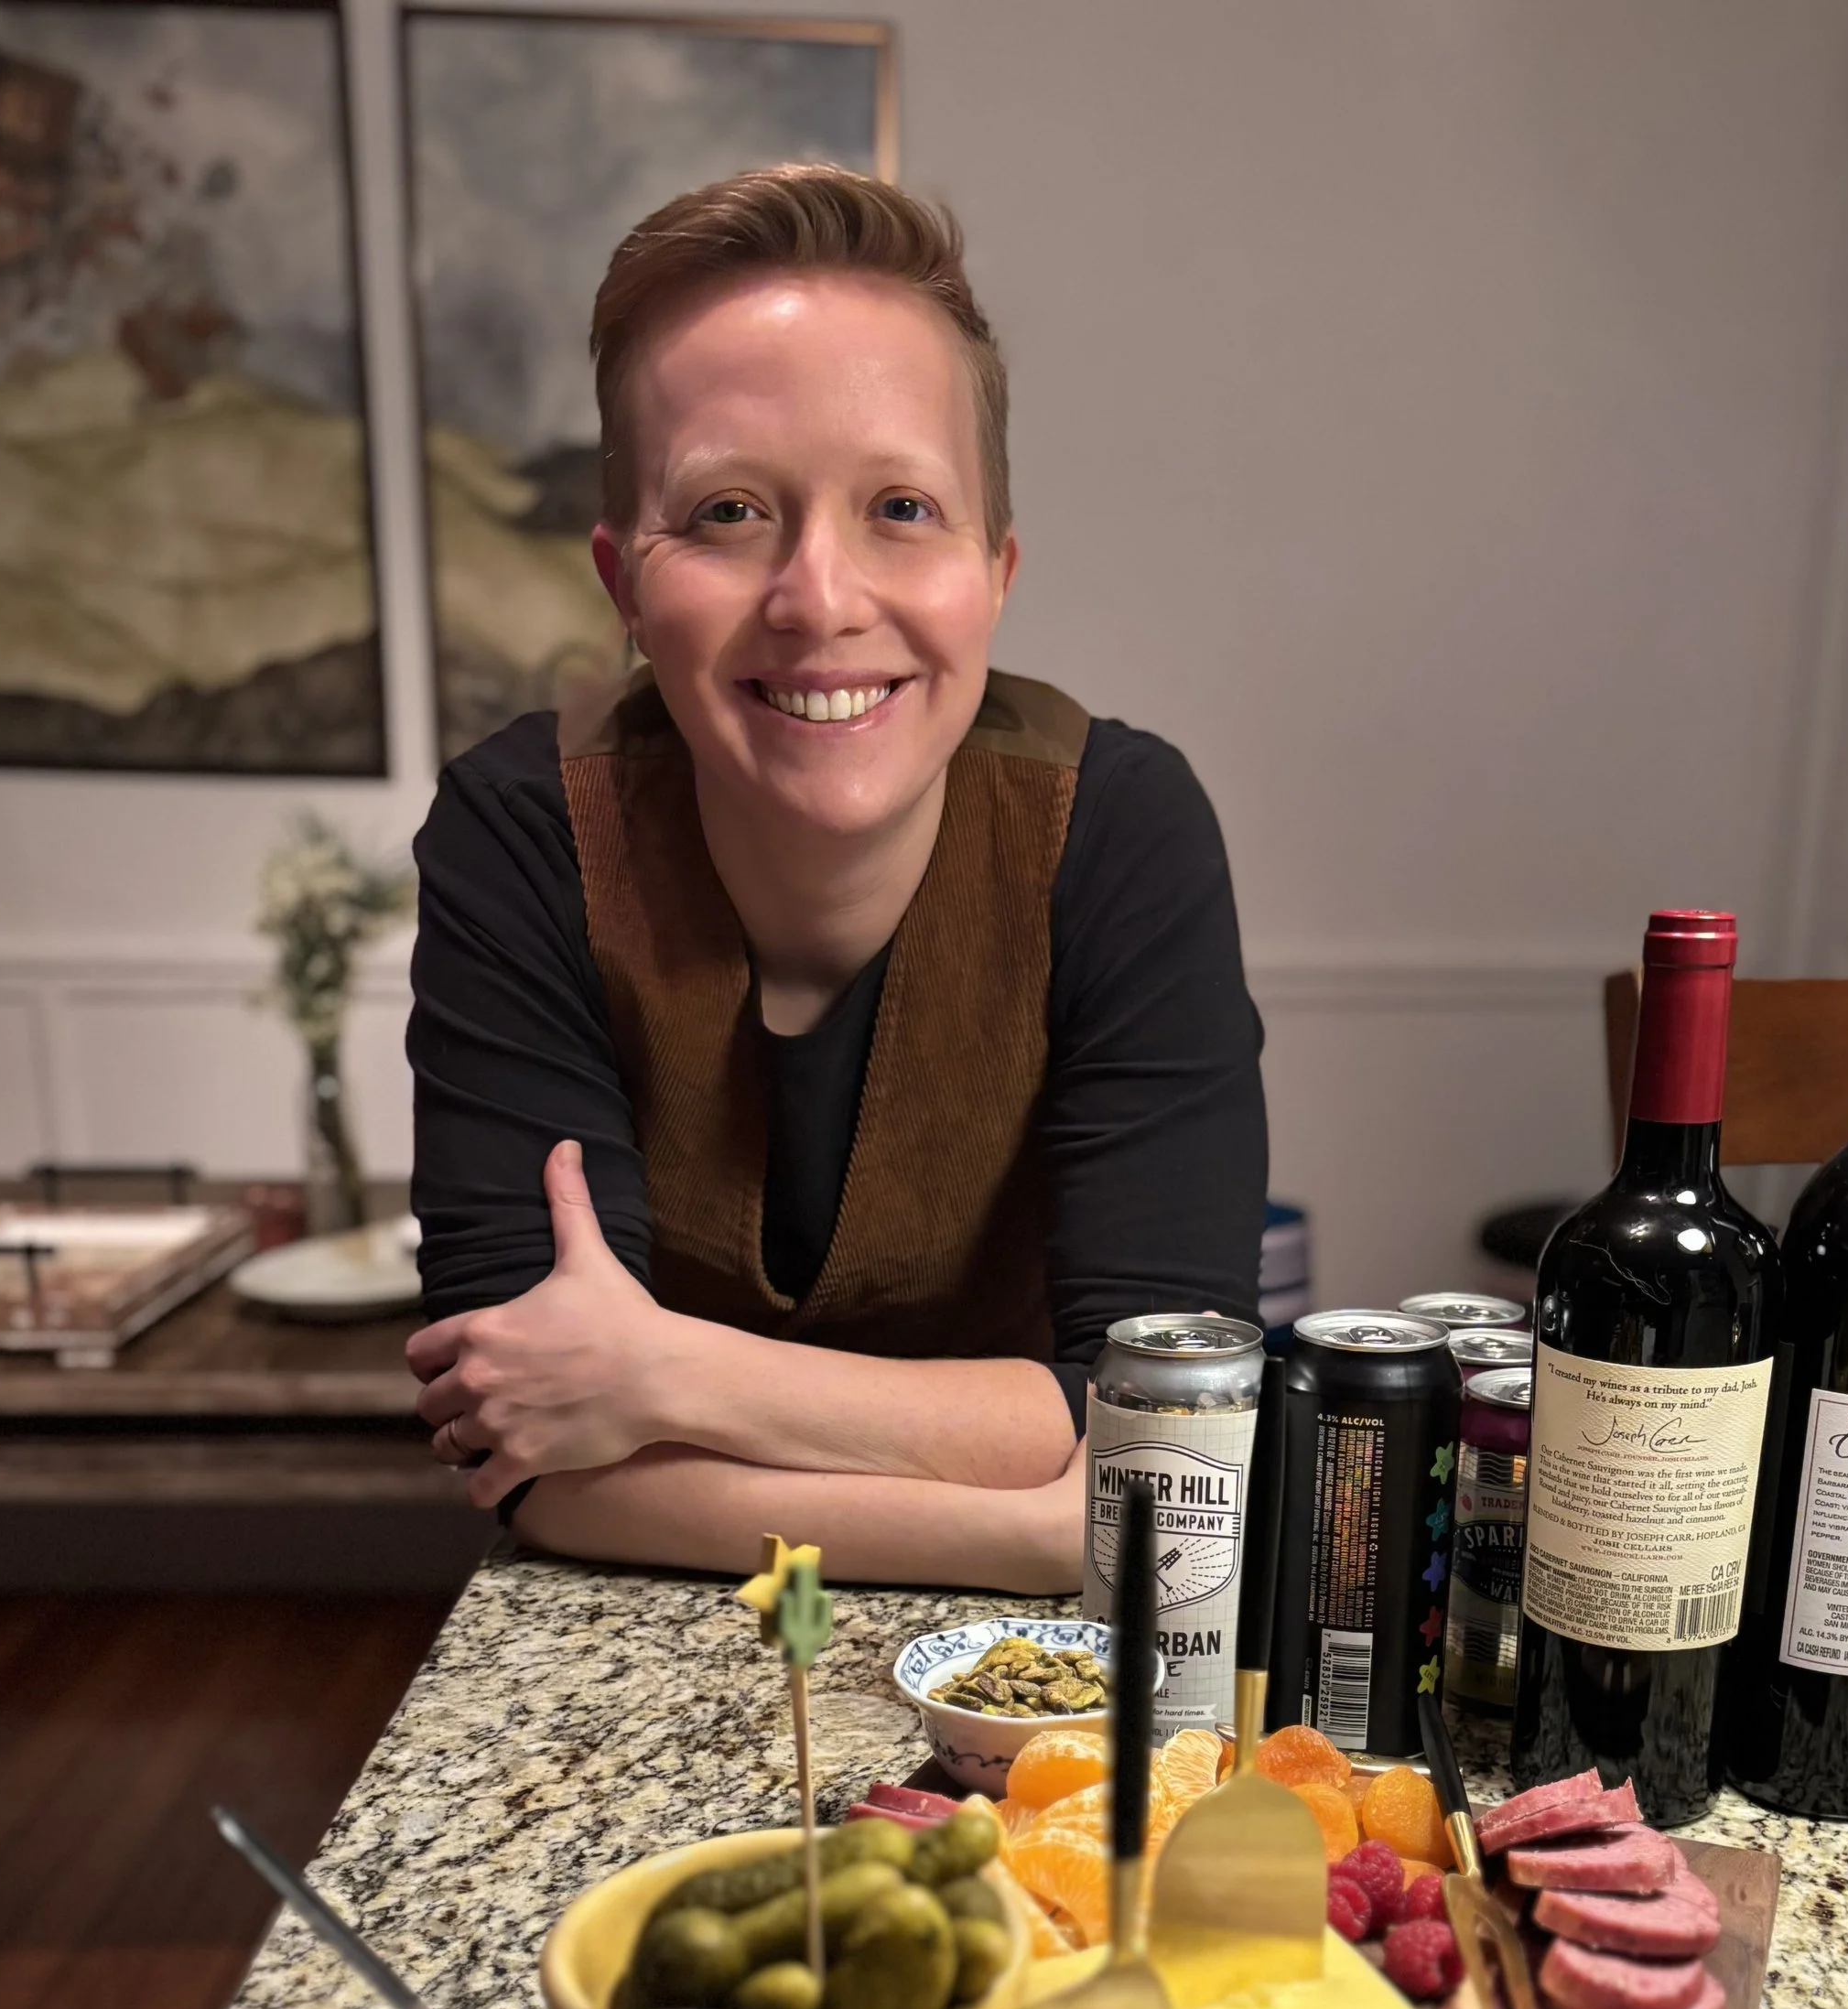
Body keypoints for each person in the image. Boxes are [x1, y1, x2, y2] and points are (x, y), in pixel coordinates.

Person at [404, 166, 1267, 1588]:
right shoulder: (521, 833)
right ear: (624, 588)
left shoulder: (1121, 829)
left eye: (902, 507)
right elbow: (529, 1452)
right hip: (666, 1621)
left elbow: (1175, 1418)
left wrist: (658, 1374)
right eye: (728, 512)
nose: (819, 599)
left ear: (994, 572)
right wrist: (1034, 1528)